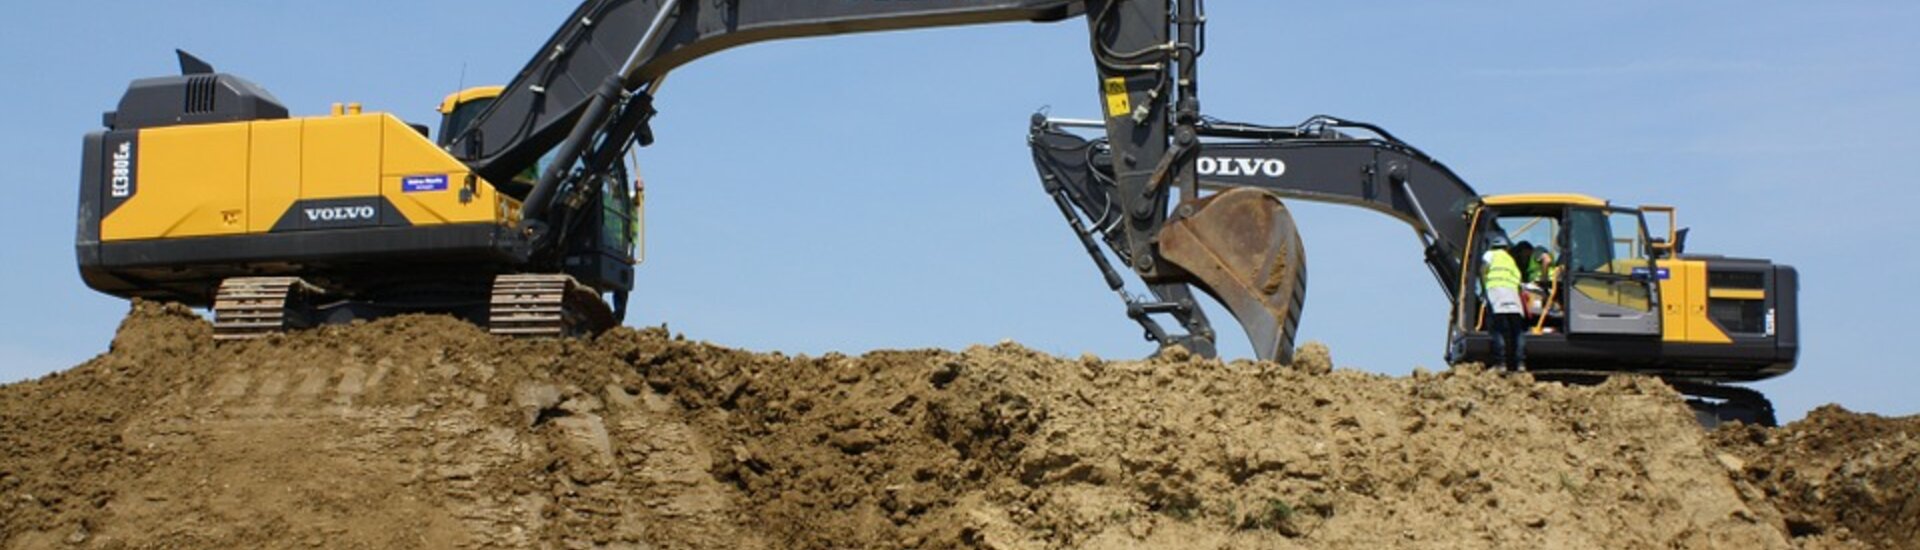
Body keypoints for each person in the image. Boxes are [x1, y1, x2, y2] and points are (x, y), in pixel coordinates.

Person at [1482, 233, 1526, 371]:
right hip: (1512, 295)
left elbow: (1483, 270)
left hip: (1496, 294)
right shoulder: (1510, 260)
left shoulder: (1490, 254)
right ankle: (1520, 363)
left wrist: (1484, 288)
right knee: (1517, 330)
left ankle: (1501, 364)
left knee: (1498, 329)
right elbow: (1518, 278)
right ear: (1506, 248)